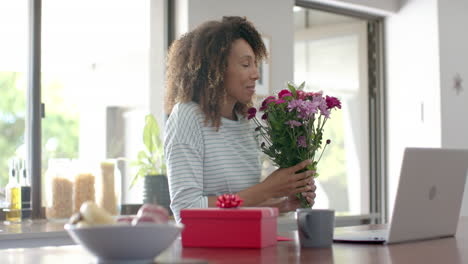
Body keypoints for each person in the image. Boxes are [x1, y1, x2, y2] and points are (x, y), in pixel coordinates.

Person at [164, 16, 316, 222]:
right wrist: (267, 189)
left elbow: (244, 204)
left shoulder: (245, 122)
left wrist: (283, 203)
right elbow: (186, 209)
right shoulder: (187, 116)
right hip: (208, 250)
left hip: (246, 244)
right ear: (215, 69)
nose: (255, 74)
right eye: (246, 64)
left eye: (256, 65)